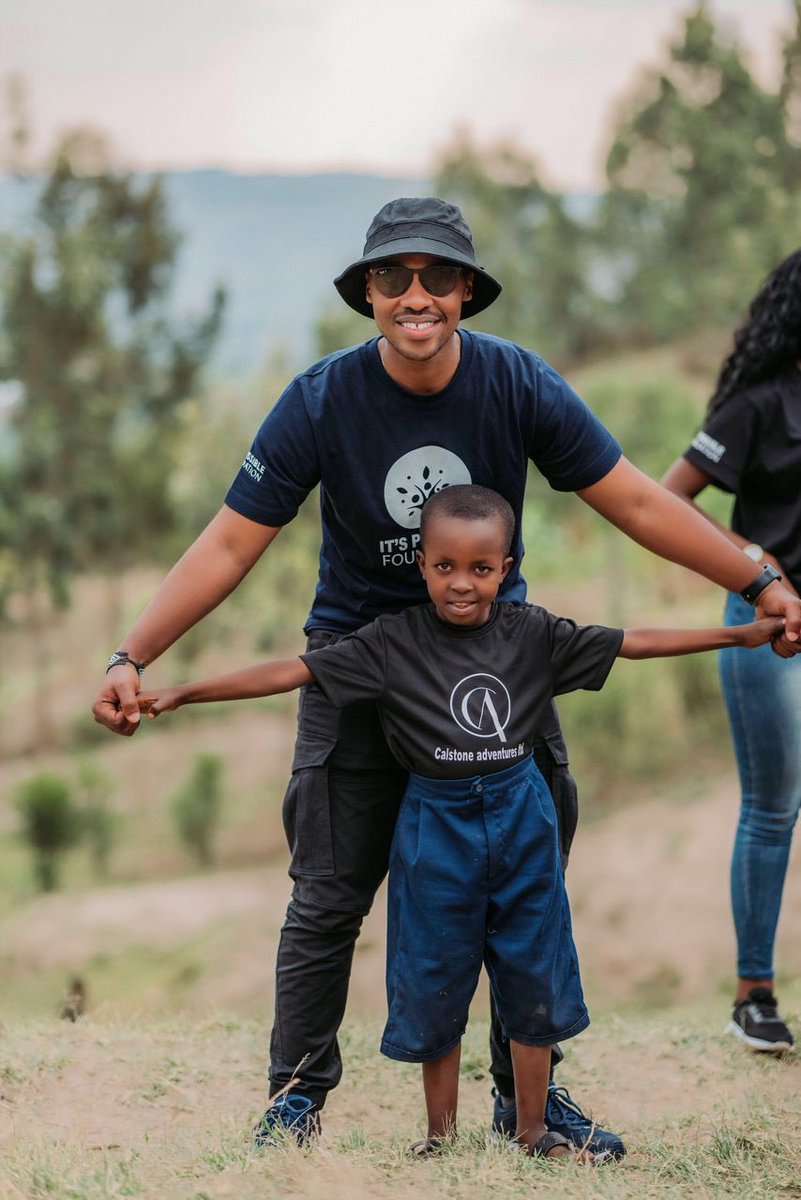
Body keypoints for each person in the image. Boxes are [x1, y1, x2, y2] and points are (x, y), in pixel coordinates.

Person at [92, 197, 801, 1153]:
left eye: (436, 277)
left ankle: (528, 1105)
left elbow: (634, 501)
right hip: (359, 665)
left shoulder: (515, 383)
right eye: (393, 277)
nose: (414, 296)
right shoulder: (320, 400)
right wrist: (134, 654)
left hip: (496, 669)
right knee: (328, 896)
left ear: (466, 290)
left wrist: (756, 578)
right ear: (368, 294)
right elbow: (229, 543)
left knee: (526, 886)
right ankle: (295, 1097)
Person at [135, 485, 784, 1159]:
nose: (462, 584)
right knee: (433, 974)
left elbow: (633, 643)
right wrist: (185, 690)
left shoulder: (533, 633)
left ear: (505, 568)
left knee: (532, 970)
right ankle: (438, 1138)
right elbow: (291, 672)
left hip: (521, 819)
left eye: (480, 568)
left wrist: (742, 633)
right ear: (420, 563)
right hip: (431, 831)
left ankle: (533, 1128)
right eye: (445, 566)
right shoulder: (390, 643)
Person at [663, 248, 801, 1054]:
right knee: (773, 807)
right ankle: (753, 996)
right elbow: (668, 497)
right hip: (768, 631)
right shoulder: (754, 407)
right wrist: (755, 564)